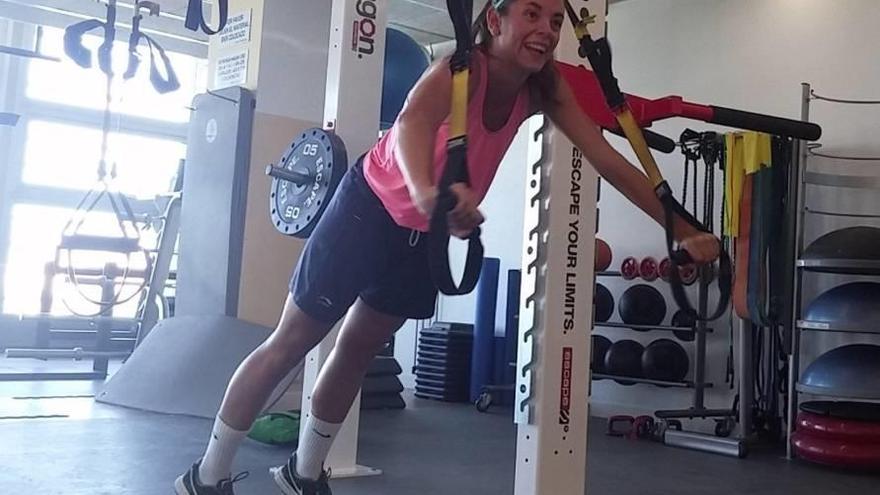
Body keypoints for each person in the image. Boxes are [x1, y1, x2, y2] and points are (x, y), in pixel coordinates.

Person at [174, 0, 721, 493]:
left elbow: (609, 163)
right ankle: (207, 476)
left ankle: (305, 473)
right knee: (291, 344)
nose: (546, 31)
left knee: (359, 351)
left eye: (555, 21)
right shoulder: (458, 71)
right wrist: (430, 193)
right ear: (494, 20)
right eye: (531, 14)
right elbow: (411, 125)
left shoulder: (543, 87)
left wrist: (681, 227)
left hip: (424, 234)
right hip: (368, 209)